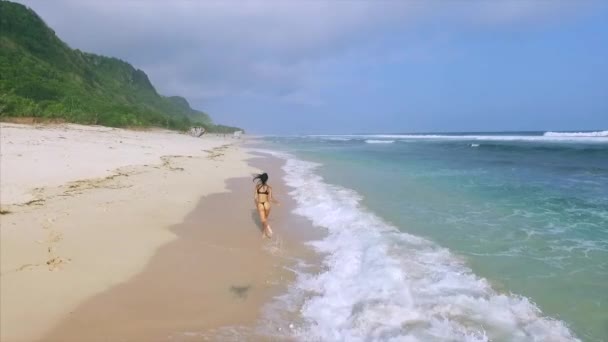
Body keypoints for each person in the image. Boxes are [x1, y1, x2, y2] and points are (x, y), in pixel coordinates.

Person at [253, 172, 278, 238]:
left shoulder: (257, 187)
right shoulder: (269, 188)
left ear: (261, 179)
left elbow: (255, 198)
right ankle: (264, 232)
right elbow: (270, 198)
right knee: (265, 219)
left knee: (263, 220)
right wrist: (276, 202)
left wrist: (257, 205)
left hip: (260, 204)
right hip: (267, 204)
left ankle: (268, 229)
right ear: (267, 179)